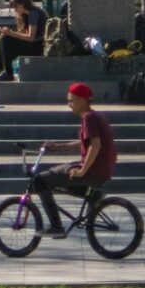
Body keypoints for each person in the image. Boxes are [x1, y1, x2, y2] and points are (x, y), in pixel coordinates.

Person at [34, 81, 118, 238]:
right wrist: (58, 146)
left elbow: (95, 145)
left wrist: (82, 171)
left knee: (40, 180)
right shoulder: (95, 116)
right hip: (101, 169)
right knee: (59, 175)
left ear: (82, 100)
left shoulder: (89, 118)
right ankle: (92, 195)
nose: (69, 104)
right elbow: (84, 143)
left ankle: (56, 226)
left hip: (93, 170)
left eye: (71, 100)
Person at [0, 0, 47, 82]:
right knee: (4, 39)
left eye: (16, 6)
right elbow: (23, 34)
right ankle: (3, 70)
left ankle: (7, 73)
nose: (15, 9)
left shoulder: (33, 13)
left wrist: (11, 33)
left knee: (6, 40)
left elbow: (30, 37)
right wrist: (9, 33)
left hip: (38, 46)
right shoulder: (26, 14)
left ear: (22, 4)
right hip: (34, 43)